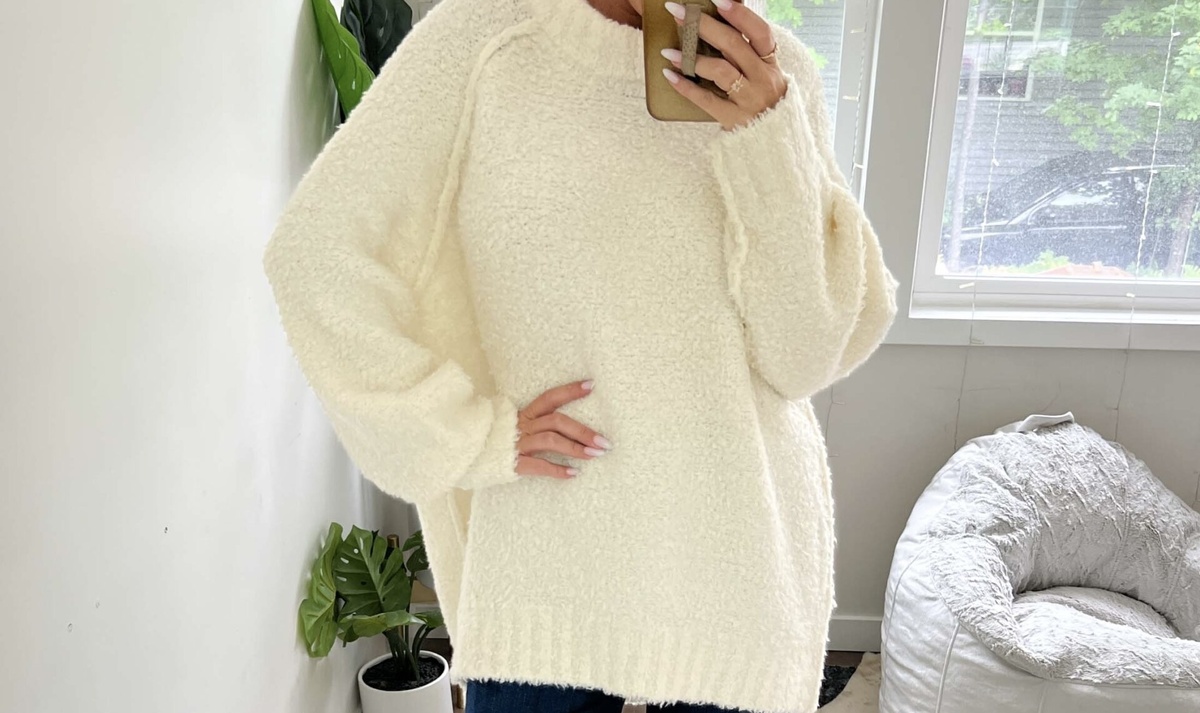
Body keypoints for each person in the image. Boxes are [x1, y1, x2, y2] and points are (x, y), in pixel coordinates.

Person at [262, 0, 898, 709]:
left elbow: (804, 359)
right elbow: (317, 254)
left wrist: (770, 135)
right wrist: (463, 432)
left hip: (737, 574)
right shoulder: (482, 43)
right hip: (547, 574)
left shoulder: (775, 79)